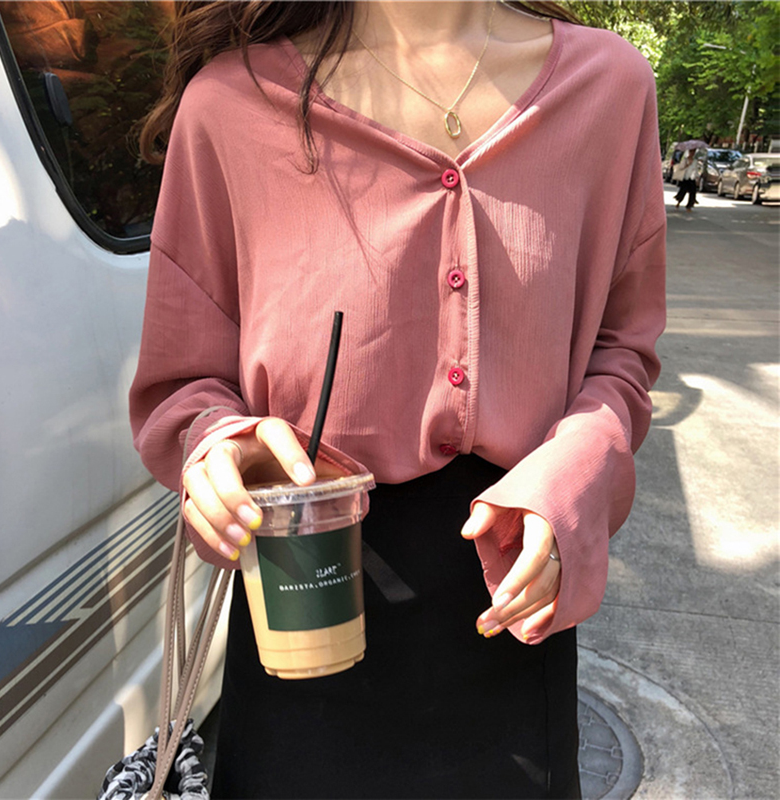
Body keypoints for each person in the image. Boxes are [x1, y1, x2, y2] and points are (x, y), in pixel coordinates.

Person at [130, 2, 666, 798]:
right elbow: (185, 377)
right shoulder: (230, 104)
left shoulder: (609, 88)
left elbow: (621, 352)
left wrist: (580, 465)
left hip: (509, 615)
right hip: (299, 596)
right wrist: (217, 443)